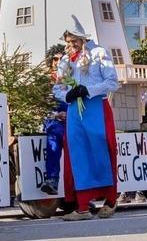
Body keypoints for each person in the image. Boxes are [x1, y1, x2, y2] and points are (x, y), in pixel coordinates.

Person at [53, 16, 119, 221]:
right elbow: (58, 87)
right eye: (68, 42)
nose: (71, 46)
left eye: (75, 42)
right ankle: (82, 206)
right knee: (78, 154)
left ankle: (110, 198)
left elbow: (112, 82)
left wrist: (87, 90)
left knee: (102, 151)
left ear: (83, 39)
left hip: (96, 108)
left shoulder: (99, 54)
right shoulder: (65, 61)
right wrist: (67, 95)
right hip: (75, 112)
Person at [41, 51, 66, 195]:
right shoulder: (45, 83)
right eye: (54, 59)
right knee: (54, 134)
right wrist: (57, 115)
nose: (57, 62)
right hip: (54, 120)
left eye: (61, 59)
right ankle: (52, 179)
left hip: (73, 118)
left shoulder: (74, 78)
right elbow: (39, 108)